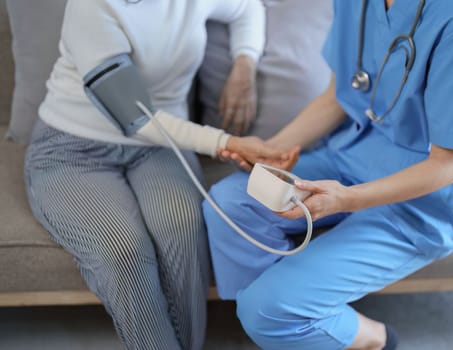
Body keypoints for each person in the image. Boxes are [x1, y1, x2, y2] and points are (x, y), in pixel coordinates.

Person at [203, 0, 453, 349]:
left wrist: (346, 198)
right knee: (229, 204)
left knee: (268, 310)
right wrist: (272, 150)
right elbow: (337, 97)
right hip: (350, 155)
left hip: (420, 201)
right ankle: (283, 326)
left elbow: (448, 164)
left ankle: (374, 339)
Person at [23, 0, 297, 349]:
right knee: (123, 250)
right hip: (74, 149)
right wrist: (226, 142)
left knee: (181, 231)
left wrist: (244, 65)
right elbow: (135, 117)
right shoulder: (92, 6)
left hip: (163, 147)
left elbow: (247, 8)